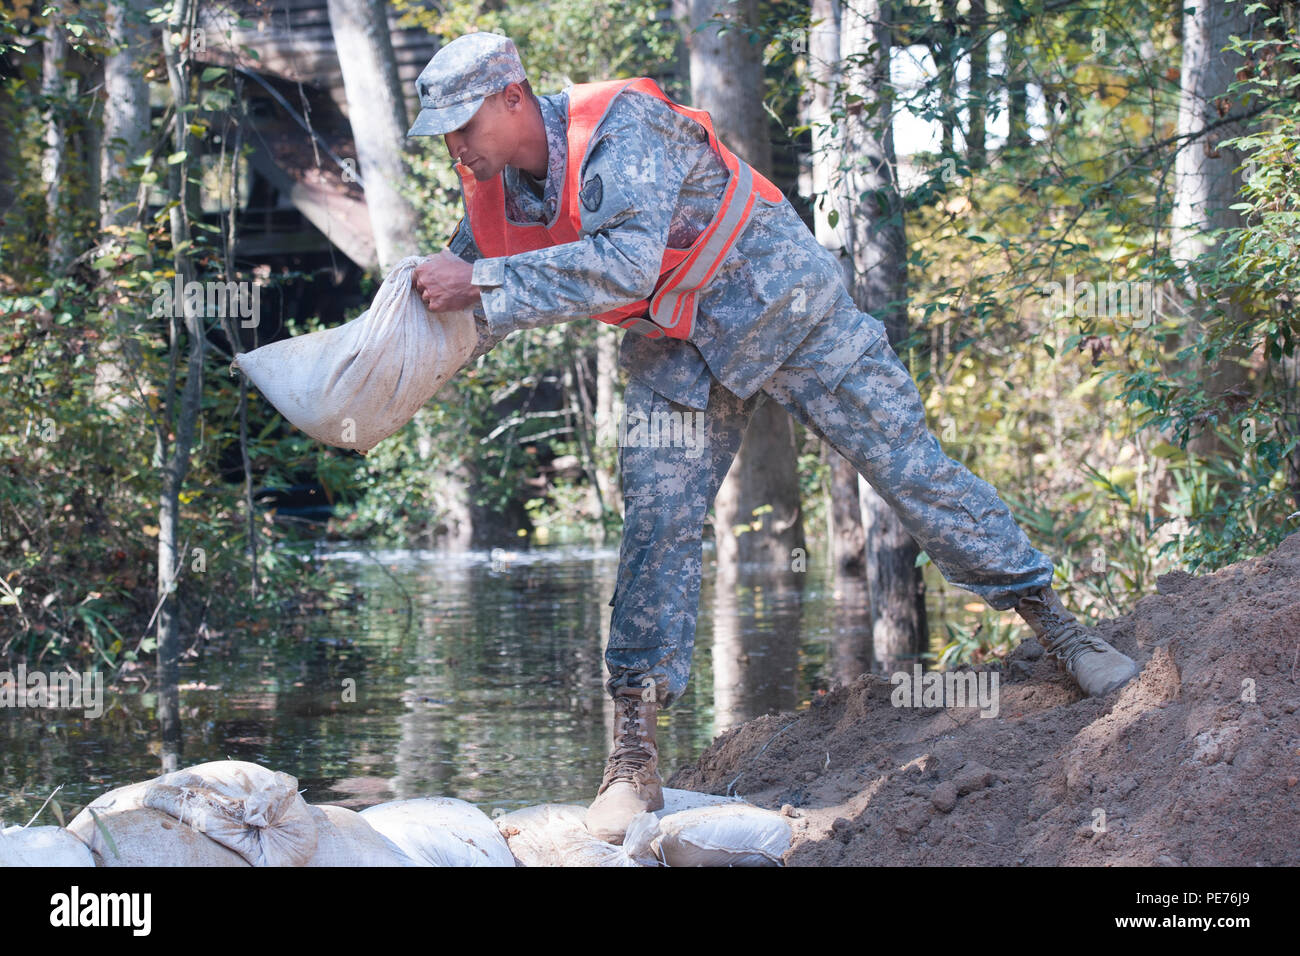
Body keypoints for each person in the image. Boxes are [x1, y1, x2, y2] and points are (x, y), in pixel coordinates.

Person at [407, 31, 1139, 844]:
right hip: (677, 348)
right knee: (655, 525)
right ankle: (634, 755)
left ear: (513, 98)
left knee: (910, 473)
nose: (453, 144)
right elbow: (453, 286)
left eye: (462, 123)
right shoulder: (491, 193)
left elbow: (624, 264)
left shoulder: (617, 127)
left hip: (783, 306)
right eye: (441, 130)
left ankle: (1058, 628)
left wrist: (478, 281)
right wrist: (370, 355)